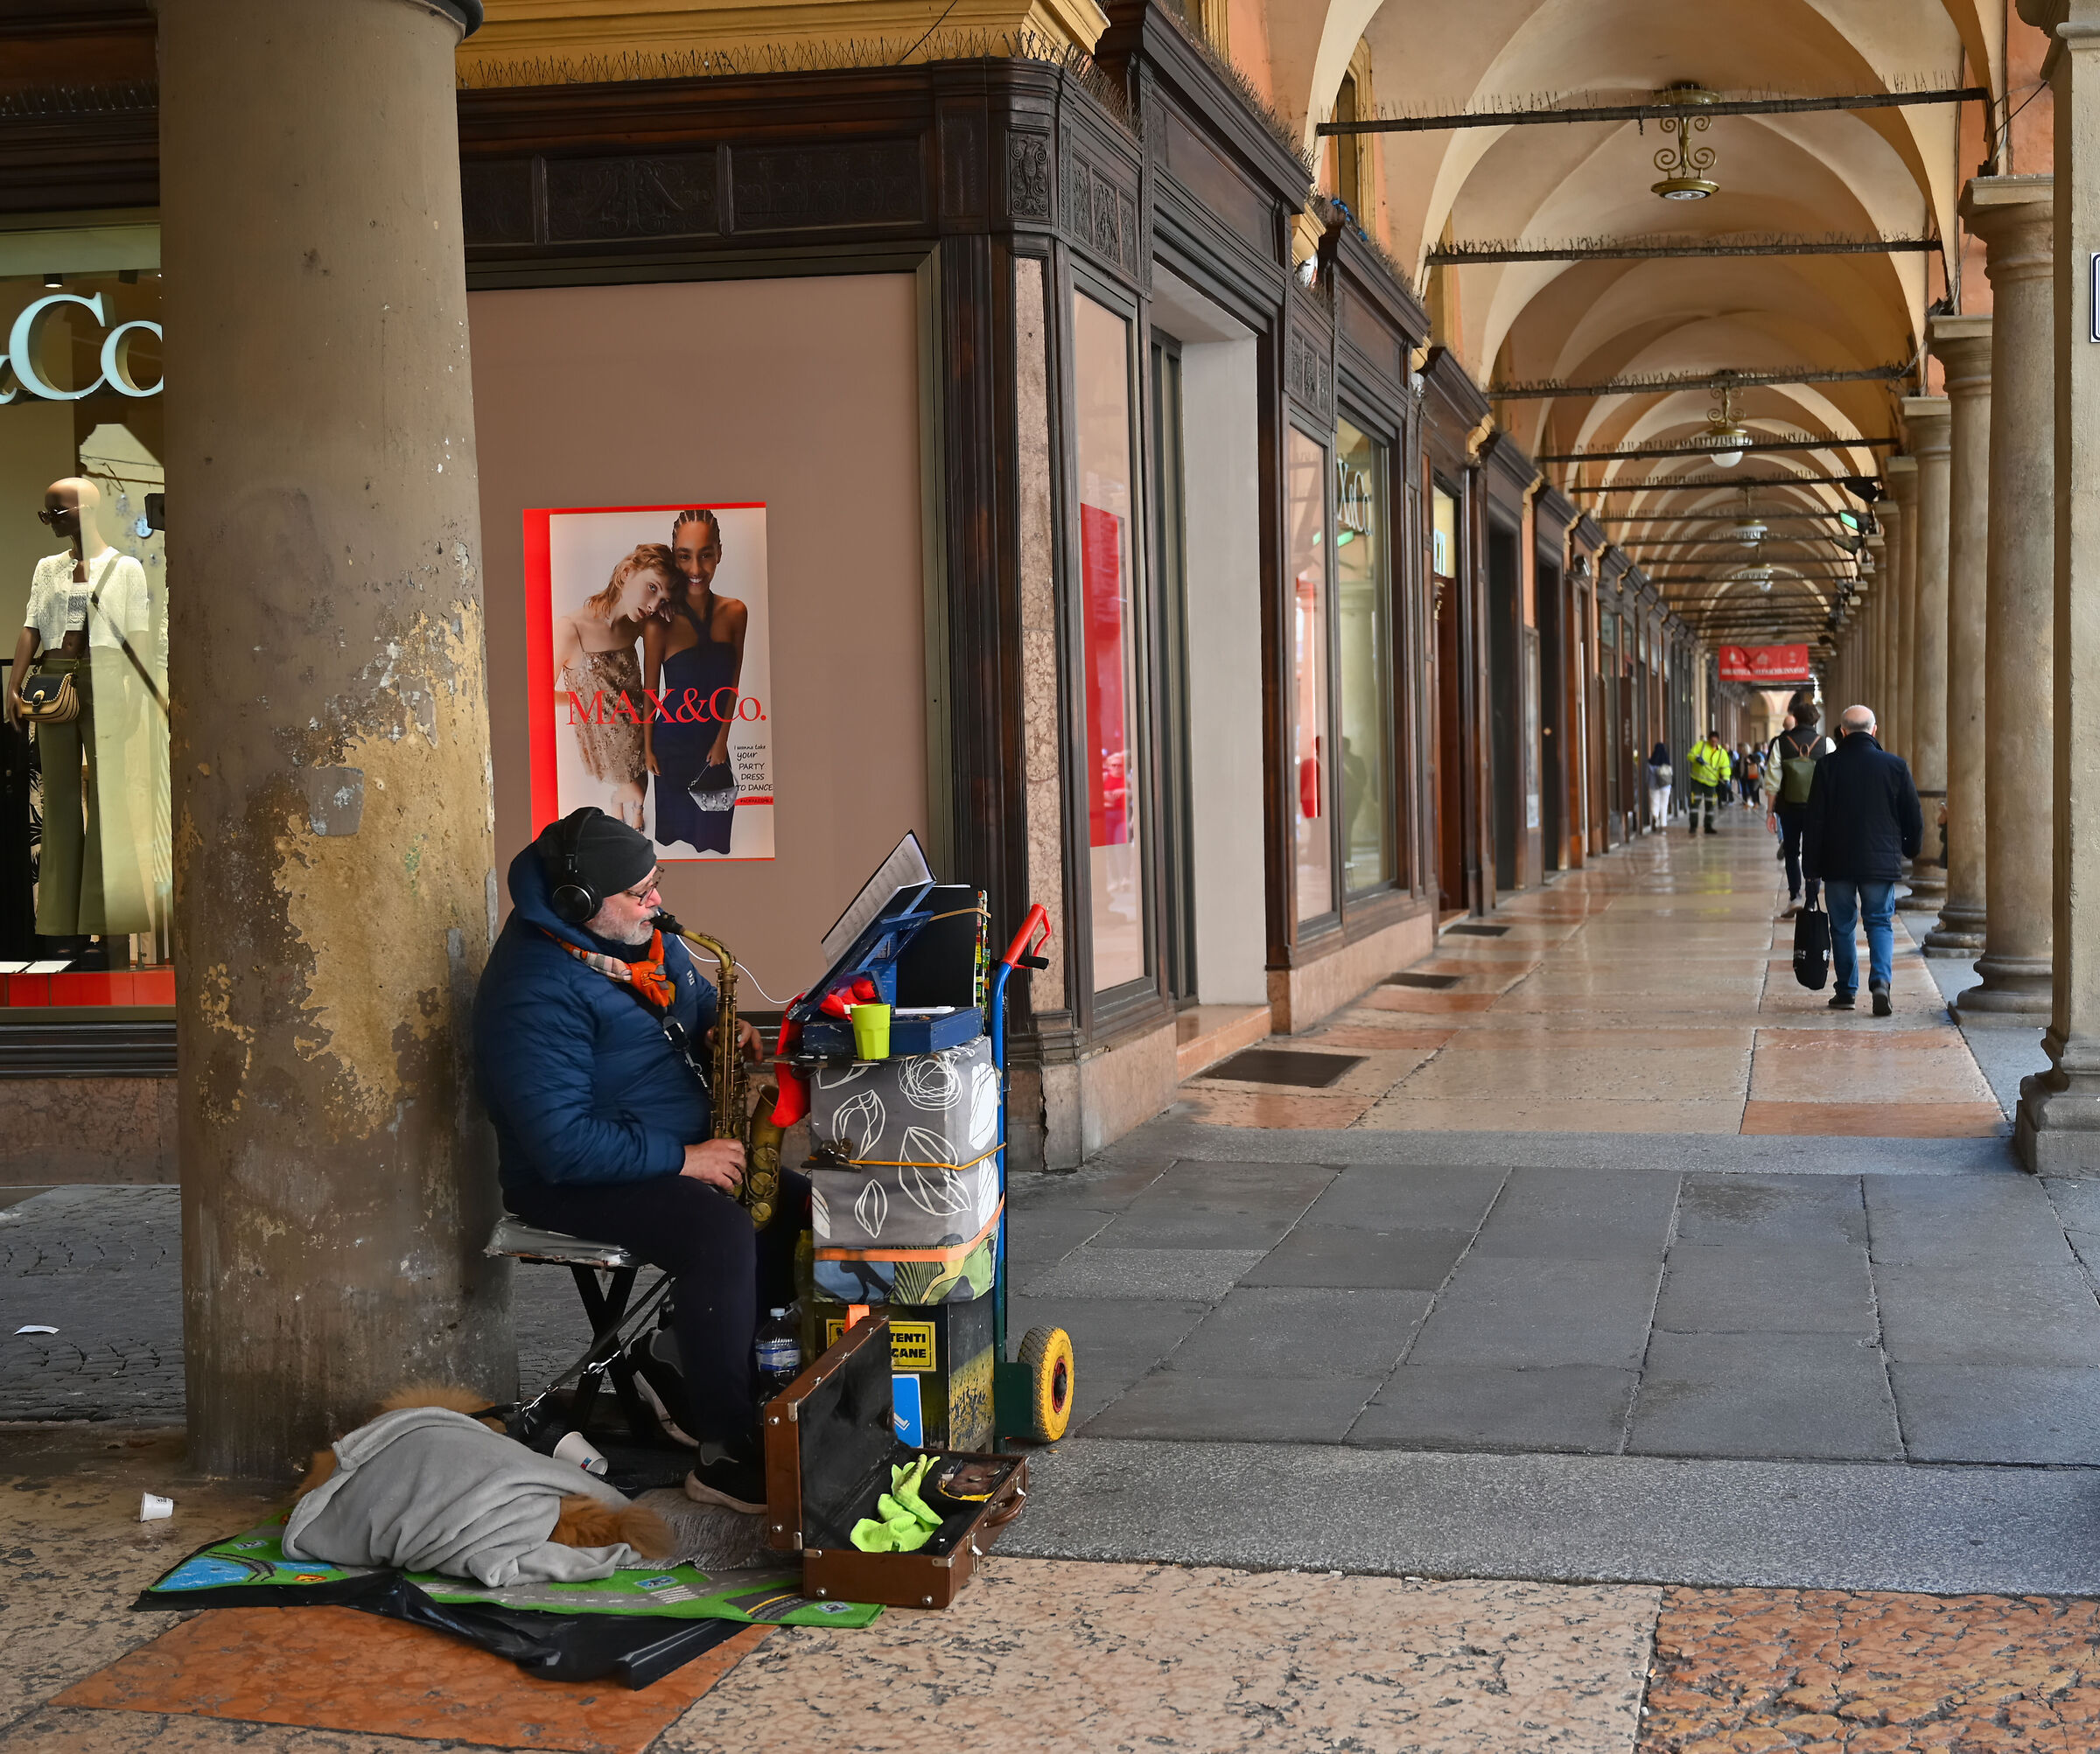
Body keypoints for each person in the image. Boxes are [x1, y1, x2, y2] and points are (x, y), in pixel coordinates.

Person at [473, 806, 803, 1513]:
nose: (659, 902)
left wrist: (720, 1021)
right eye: (641, 893)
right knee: (718, 1232)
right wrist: (685, 1160)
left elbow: (686, 995)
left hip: (662, 1147)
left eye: (657, 883)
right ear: (579, 904)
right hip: (570, 1179)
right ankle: (725, 1449)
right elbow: (559, 1142)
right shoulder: (532, 989)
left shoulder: (637, 937)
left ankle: (694, 1354)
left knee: (800, 1205)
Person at [1802, 703, 1922, 1017]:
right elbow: (1913, 816)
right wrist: (1911, 849)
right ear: (1874, 730)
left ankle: (1846, 991)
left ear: (1842, 732)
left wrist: (1811, 868)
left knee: (1842, 926)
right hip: (1879, 863)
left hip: (1837, 862)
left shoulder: (1827, 767)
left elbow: (1814, 821)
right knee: (1880, 922)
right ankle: (1881, 981)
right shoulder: (1895, 766)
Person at [642, 509, 748, 856]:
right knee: (674, 842)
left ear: (719, 552)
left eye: (705, 555)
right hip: (670, 745)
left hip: (712, 743)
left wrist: (722, 741)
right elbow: (650, 691)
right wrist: (647, 748)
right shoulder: (660, 622)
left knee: (714, 837)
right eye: (684, 556)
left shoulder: (735, 612)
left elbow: (733, 681)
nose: (696, 569)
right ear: (674, 558)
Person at [553, 545, 674, 832]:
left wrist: (672, 613)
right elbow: (535, 692)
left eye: (663, 598)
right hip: (602, 735)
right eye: (652, 587)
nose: (655, 604)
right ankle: (621, 807)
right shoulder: (570, 629)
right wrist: (587, 705)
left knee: (642, 783)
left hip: (637, 725)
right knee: (635, 790)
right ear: (626, 572)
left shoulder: (639, 623)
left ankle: (626, 810)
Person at [1765, 697, 1832, 919]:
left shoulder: (1780, 743)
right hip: (1818, 809)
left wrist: (1770, 812)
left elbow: (1773, 780)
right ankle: (1812, 900)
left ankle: (1795, 896)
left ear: (1796, 719)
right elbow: (1833, 778)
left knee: (1792, 852)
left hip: (1789, 807)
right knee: (1815, 852)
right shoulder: (1826, 743)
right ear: (1815, 720)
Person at [1687, 729, 1731, 835]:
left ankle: (1708, 826)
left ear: (1718, 741)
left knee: (1710, 805)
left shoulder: (1722, 753)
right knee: (1694, 803)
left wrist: (1726, 779)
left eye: (1715, 742)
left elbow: (1725, 767)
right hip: (1697, 780)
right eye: (1712, 741)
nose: (1713, 743)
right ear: (1709, 740)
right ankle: (1693, 826)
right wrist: (1696, 758)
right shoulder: (1701, 746)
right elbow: (1690, 755)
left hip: (1711, 783)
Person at [1646, 740, 1672, 828]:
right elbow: (1670, 773)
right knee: (1664, 805)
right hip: (1665, 786)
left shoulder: (1651, 762)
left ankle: (1655, 818)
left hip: (1653, 786)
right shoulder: (1667, 761)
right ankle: (1663, 824)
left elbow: (1647, 775)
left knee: (1654, 803)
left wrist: (1648, 783)